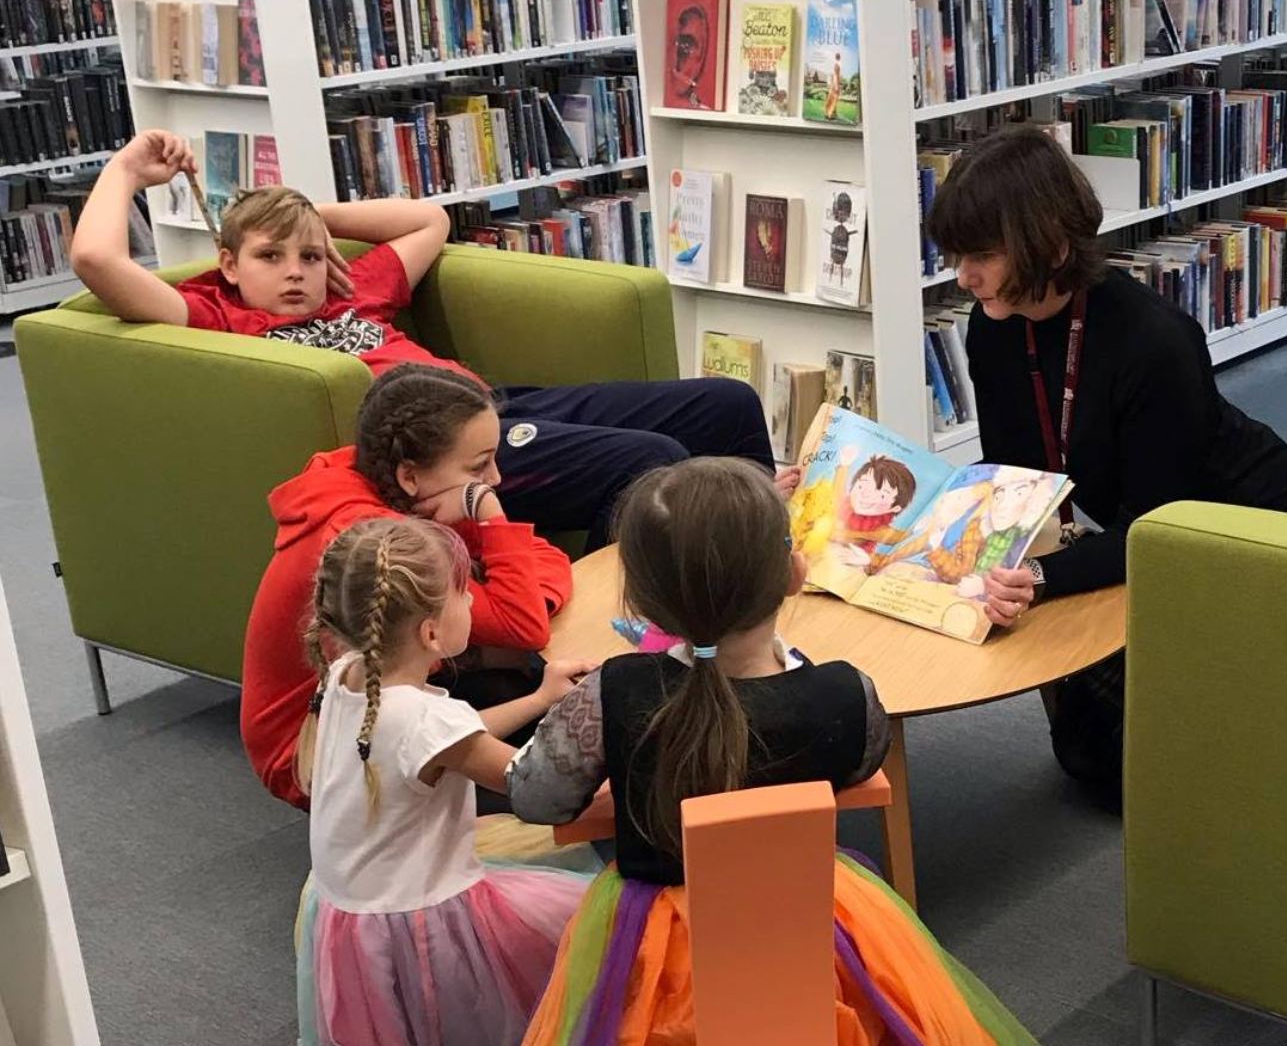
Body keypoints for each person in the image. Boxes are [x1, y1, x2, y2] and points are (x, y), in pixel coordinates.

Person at [506, 458, 1033, 1043]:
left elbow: (535, 798)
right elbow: (861, 765)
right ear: (792, 571)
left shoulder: (617, 690)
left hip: (661, 941)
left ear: (646, 599)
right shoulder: (842, 692)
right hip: (805, 923)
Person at [70, 129, 775, 552]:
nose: (294, 274)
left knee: (727, 402)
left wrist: (304, 216)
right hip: (441, 453)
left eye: (309, 257)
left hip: (496, 406)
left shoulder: (352, 287)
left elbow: (427, 220)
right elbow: (98, 262)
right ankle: (634, 653)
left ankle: (768, 575)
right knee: (653, 461)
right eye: (270, 257)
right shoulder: (218, 314)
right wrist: (128, 170)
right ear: (228, 264)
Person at [924, 125, 1287, 791]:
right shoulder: (993, 326)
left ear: (1050, 243)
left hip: (1264, 540)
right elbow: (1015, 476)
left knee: (1146, 774)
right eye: (956, 253)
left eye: (981, 254)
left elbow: (1155, 529)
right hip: (1147, 536)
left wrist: (1036, 576)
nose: (964, 275)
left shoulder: (1154, 341)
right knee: (1091, 753)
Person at [293, 517, 596, 1046]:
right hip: (425, 931)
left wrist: (539, 700)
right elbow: (535, 785)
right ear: (431, 632)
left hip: (354, 920)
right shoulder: (424, 722)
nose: (475, 604)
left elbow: (443, 747)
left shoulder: (346, 675)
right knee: (595, 929)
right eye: (465, 593)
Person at [243, 365, 572, 811]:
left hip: (386, 688)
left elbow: (546, 558)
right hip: (312, 750)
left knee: (532, 678)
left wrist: (514, 598)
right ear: (410, 476)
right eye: (478, 467)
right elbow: (525, 625)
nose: (493, 480)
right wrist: (491, 517)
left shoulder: (406, 492)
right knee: (556, 759)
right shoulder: (387, 540)